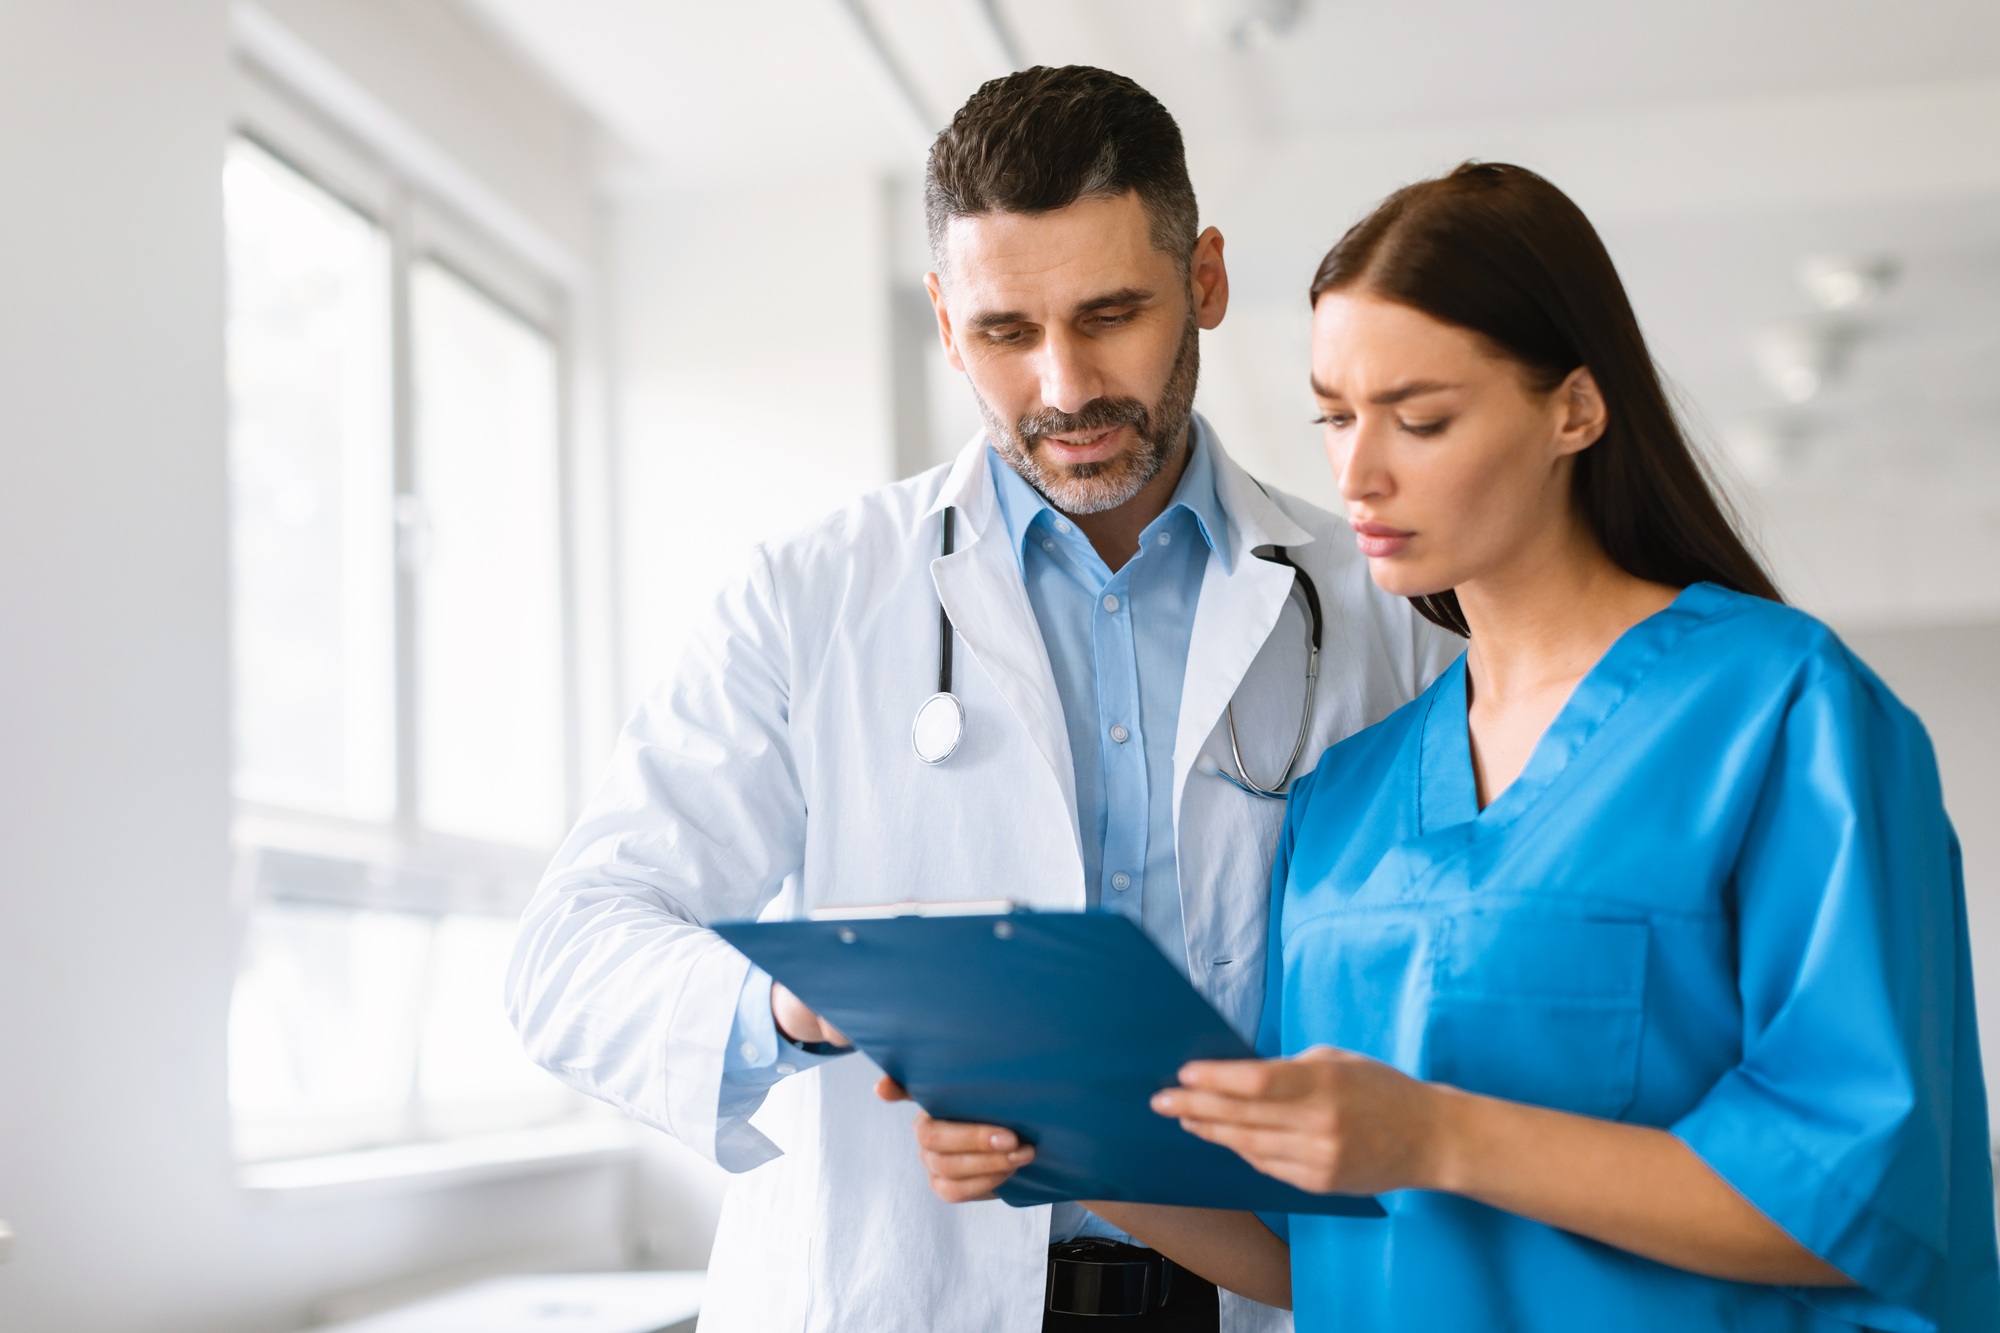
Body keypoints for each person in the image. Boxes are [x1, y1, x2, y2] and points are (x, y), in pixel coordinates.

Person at [907, 162, 2000, 1331]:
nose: (1356, 471)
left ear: (1573, 409)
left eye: (1419, 418)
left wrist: (1437, 1135)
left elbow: (1863, 1194)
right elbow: (1301, 1244)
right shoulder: (1348, 794)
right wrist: (1055, 1135)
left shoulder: (1778, 712)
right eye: (1334, 415)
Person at [506, 67, 1455, 1333]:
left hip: (1260, 1293)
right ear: (946, 322)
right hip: (909, 1287)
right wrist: (799, 1000)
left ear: (1206, 282)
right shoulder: (810, 597)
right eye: (1007, 333)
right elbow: (569, 960)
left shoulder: (1380, 605)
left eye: (1111, 313)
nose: (1063, 388)